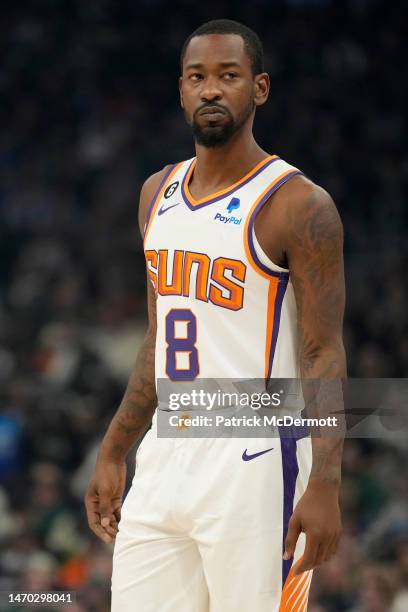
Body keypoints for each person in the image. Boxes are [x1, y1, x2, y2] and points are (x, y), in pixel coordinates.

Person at [85, 19, 346, 611]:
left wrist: (327, 480)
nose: (211, 90)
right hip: (168, 448)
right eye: (197, 77)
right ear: (180, 90)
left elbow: (323, 352)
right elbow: (159, 338)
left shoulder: (298, 204)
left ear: (259, 89)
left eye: (228, 76)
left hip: (256, 451)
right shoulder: (158, 193)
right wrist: (113, 448)